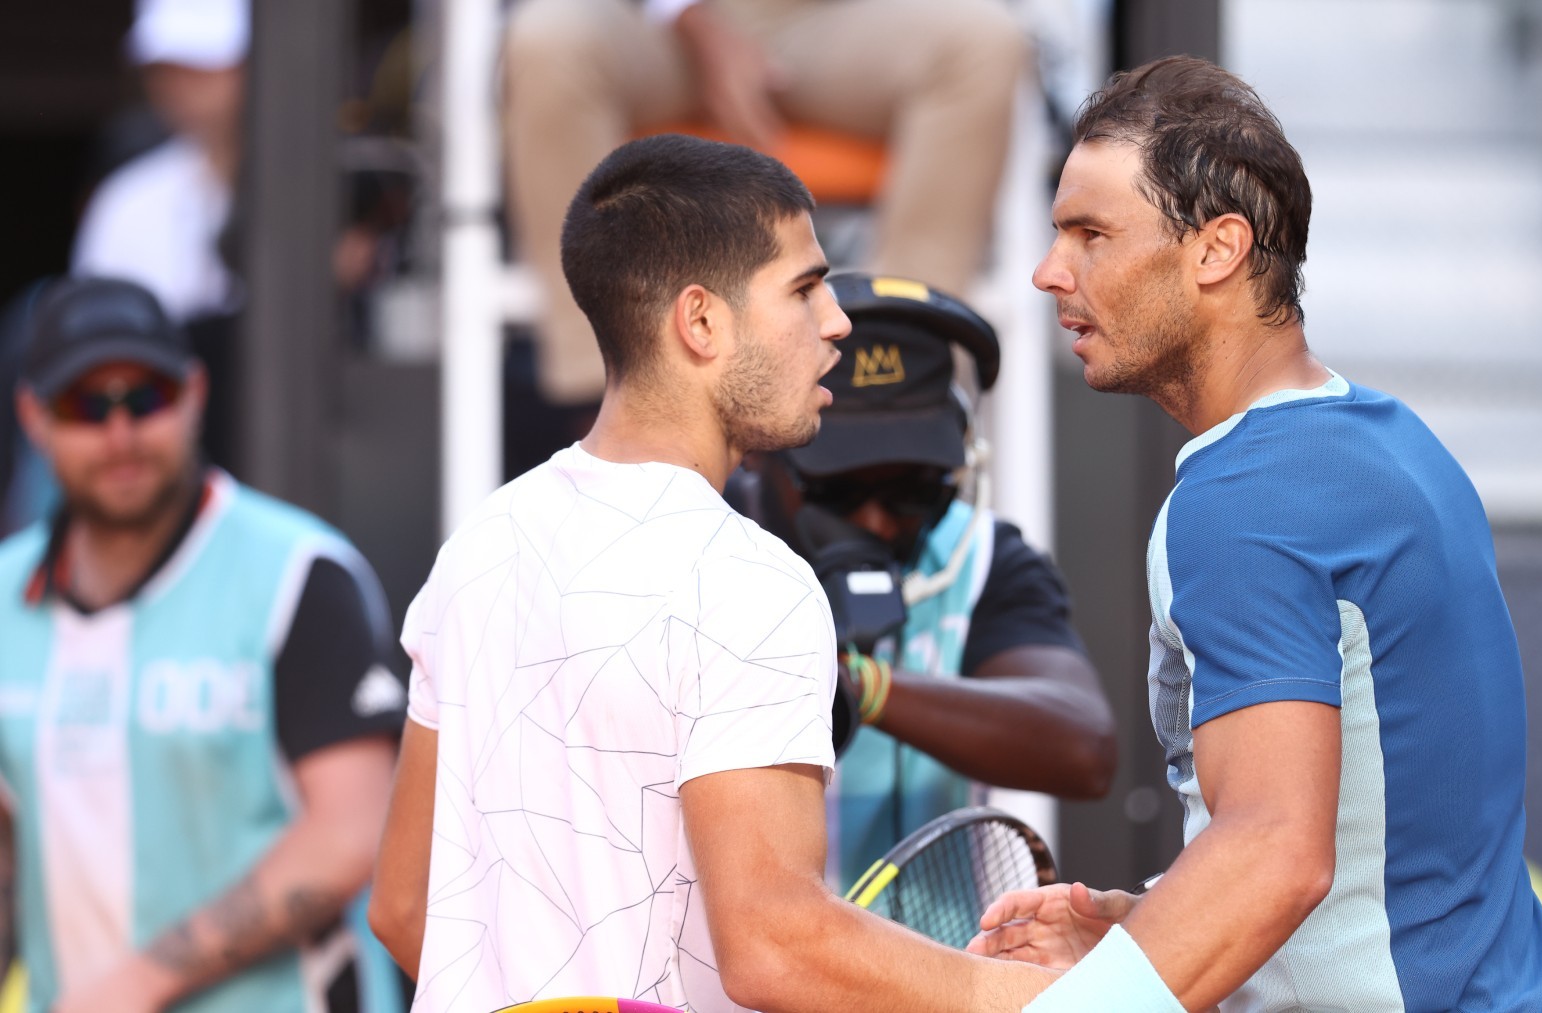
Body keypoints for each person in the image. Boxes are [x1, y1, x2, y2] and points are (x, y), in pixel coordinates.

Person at [368, 134, 1054, 1012]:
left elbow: (403, 906)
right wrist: (1049, 997)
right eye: (805, 288)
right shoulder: (748, 581)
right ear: (701, 321)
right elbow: (775, 945)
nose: (839, 321)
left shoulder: (478, 545)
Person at [966, 57, 1542, 1011]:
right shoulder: (1395, 442)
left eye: (1090, 234)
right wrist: (1149, 926)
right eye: (1055, 235)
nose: (1051, 272)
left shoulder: (1244, 497)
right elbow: (1388, 844)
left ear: (1217, 250)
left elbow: (1278, 854)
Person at [0, 276, 406, 1013]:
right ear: (33, 417)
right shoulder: (4, 595)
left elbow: (355, 831)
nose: (120, 433)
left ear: (194, 393)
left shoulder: (295, 573)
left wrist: (141, 982)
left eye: (145, 397)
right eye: (87, 405)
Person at [732, 272, 1115, 886]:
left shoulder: (984, 557)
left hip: (932, 968)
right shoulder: (703, 546)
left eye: (914, 490)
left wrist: (861, 687)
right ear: (764, 449)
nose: (878, 520)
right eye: (839, 491)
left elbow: (1084, 747)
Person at [501, 0, 1029, 407]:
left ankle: (899, 381)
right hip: (658, 26)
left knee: (985, 42)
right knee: (548, 41)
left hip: (842, 23)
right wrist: (692, 19)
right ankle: (615, 395)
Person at [72, 0, 247, 325]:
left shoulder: (316, 196)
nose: (176, 86)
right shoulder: (126, 204)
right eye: (163, 70)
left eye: (199, 66)